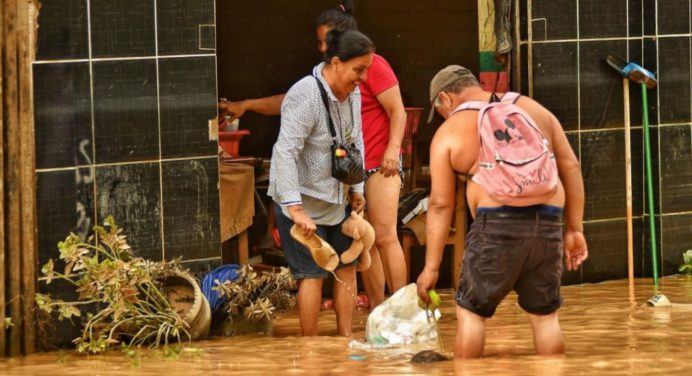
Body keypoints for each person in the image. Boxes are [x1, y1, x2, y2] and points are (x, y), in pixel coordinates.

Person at [221, 0, 407, 308]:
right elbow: (293, 100)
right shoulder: (324, 78)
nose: (324, 47)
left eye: (329, 39)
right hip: (351, 172)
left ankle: (402, 308)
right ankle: (378, 309)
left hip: (379, 165)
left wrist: (392, 151)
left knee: (385, 236)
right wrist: (248, 105)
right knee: (366, 243)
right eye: (320, 41)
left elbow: (397, 111)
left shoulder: (371, 65)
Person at [416, 65, 588, 358]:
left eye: (440, 109)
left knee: (470, 314)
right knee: (545, 318)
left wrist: (431, 268)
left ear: (445, 99)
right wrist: (574, 229)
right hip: (548, 221)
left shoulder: (450, 131)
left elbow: (441, 205)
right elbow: (570, 165)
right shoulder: (530, 108)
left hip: (496, 226)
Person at [268, 29, 375, 336]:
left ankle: (345, 340)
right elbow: (285, 151)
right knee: (312, 275)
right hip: (300, 201)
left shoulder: (353, 93)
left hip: (336, 199)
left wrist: (357, 189)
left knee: (346, 269)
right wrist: (296, 209)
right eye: (358, 70)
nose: (363, 78)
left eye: (366, 70)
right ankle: (310, 348)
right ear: (337, 62)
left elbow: (358, 141)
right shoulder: (305, 92)